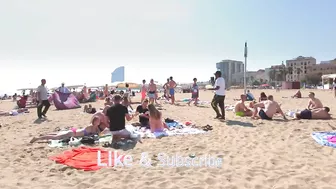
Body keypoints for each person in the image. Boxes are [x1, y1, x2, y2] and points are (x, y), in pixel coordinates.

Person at [30, 114, 108, 143]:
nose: (99, 122)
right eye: (98, 121)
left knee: (57, 134)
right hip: (72, 133)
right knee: (56, 137)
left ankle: (43, 135)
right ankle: (37, 138)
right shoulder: (91, 127)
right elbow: (96, 134)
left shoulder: (95, 127)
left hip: (74, 131)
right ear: (95, 122)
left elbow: (99, 134)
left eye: (99, 121)